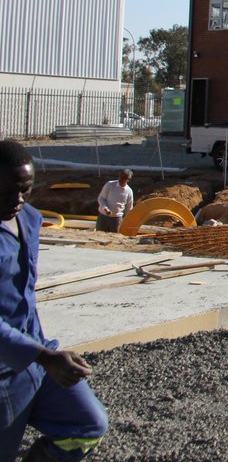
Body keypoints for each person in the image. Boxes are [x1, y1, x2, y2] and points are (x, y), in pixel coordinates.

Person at [1, 140, 109, 461]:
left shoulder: (29, 219)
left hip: (37, 360)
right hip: (8, 370)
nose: (18, 200)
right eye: (7, 191)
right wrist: (43, 355)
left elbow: (23, 297)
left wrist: (44, 352)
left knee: (88, 424)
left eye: (26, 190)